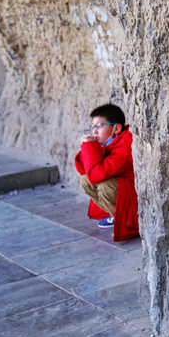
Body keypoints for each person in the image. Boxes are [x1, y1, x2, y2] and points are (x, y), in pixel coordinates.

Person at [74, 103, 139, 241]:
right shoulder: (109, 143)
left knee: (105, 186)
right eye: (93, 127)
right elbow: (84, 170)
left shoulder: (127, 143)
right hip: (125, 193)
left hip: (137, 198)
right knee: (85, 179)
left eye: (99, 126)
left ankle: (132, 223)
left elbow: (96, 175)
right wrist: (88, 148)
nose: (95, 131)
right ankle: (117, 216)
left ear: (117, 128)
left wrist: (89, 146)